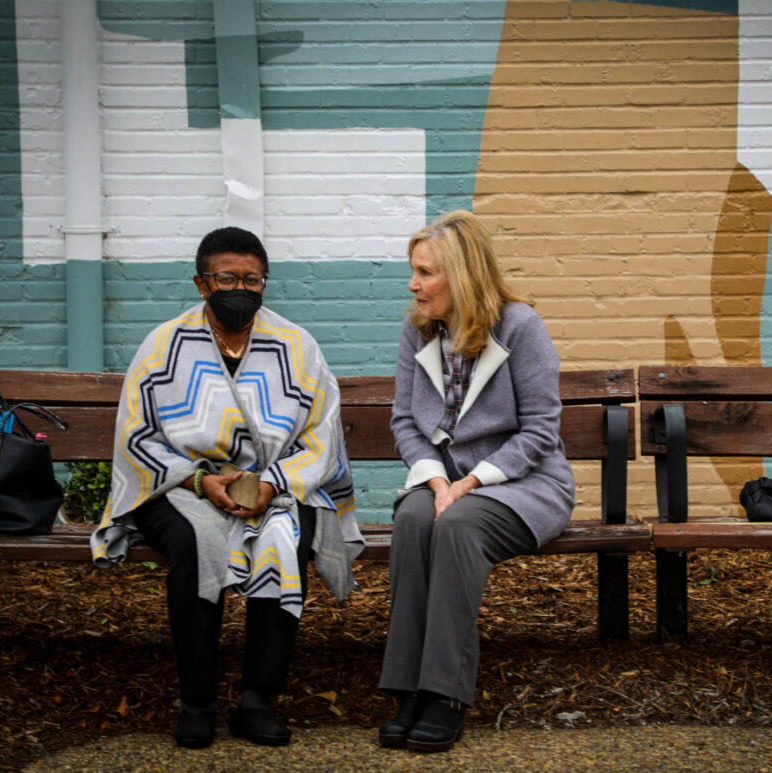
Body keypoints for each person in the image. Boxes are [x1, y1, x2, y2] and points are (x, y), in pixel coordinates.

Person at [90, 227, 362, 749]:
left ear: (265, 283)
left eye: (252, 278)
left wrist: (273, 483)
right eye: (227, 277)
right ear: (201, 282)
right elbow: (136, 436)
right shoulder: (164, 346)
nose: (241, 287)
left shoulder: (297, 346)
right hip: (179, 486)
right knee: (198, 542)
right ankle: (198, 703)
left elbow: (321, 438)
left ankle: (258, 699)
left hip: (273, 486)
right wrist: (198, 479)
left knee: (287, 539)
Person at [377, 210, 575, 753]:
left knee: (458, 527)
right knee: (415, 518)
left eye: (425, 273)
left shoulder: (519, 326)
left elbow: (541, 430)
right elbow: (403, 421)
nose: (413, 284)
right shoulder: (417, 328)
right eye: (413, 271)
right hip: (446, 481)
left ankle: (444, 693)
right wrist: (439, 480)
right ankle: (407, 690)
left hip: (525, 484)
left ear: (461, 275)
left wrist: (473, 482)